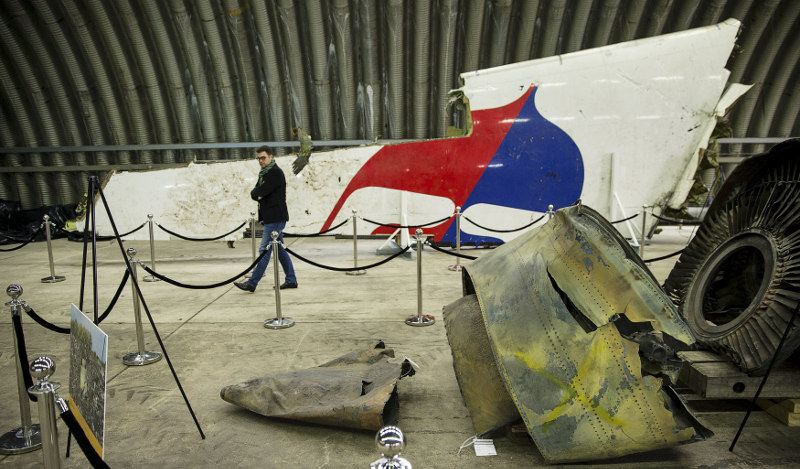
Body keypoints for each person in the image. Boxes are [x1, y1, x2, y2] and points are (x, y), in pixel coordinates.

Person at [234, 146, 298, 292]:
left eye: (263, 158)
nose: (260, 161)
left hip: (275, 218)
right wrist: (258, 192)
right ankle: (291, 279)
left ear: (271, 156)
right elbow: (255, 193)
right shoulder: (265, 173)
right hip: (272, 217)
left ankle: (252, 283)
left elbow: (261, 191)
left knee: (264, 250)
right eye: (259, 158)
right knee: (280, 249)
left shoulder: (274, 172)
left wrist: (259, 192)